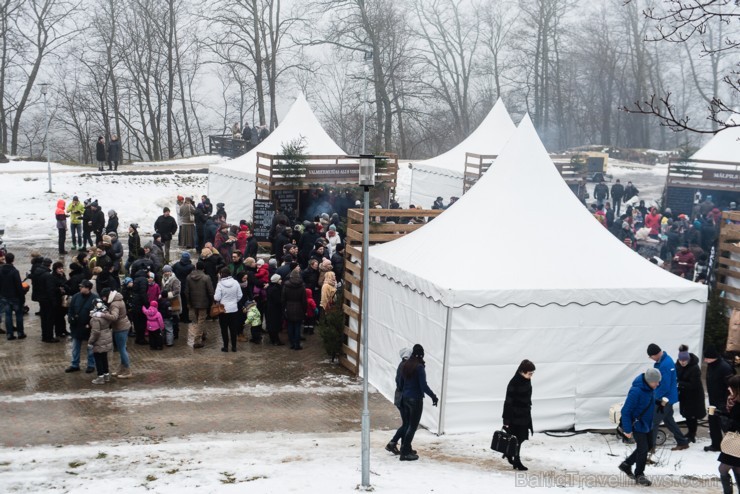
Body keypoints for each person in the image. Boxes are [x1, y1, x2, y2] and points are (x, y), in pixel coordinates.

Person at [619, 368, 662, 486]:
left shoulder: (649, 388)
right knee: (643, 449)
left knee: (648, 446)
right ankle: (639, 475)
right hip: (637, 424)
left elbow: (647, 401)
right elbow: (626, 411)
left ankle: (626, 464)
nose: (657, 384)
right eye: (655, 382)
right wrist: (627, 430)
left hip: (647, 423)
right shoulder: (636, 391)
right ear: (648, 381)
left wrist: (658, 402)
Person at [397, 344, 438, 461]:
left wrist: (404, 391)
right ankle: (404, 453)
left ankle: (406, 448)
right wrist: (433, 396)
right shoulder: (419, 367)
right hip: (415, 400)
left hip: (405, 398)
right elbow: (423, 386)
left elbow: (400, 382)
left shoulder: (405, 365)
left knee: (408, 424)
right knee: (412, 426)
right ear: (421, 355)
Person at [647, 343, 690, 451]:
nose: (650, 359)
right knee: (668, 420)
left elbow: (664, 386)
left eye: (650, 356)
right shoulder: (663, 361)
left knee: (654, 422)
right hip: (667, 397)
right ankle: (683, 442)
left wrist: (654, 397)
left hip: (664, 399)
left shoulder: (665, 364)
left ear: (654, 355)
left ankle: (650, 447)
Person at [502, 359, 535, 471]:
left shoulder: (527, 380)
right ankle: (516, 460)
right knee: (516, 439)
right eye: (529, 373)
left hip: (524, 415)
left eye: (532, 374)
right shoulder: (514, 382)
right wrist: (506, 421)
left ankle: (510, 455)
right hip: (514, 416)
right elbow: (508, 402)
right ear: (522, 372)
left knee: (520, 439)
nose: (531, 376)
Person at [705, 346, 735, 452]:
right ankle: (716, 444)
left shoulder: (724, 367)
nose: (705, 360)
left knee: (726, 424)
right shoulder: (711, 365)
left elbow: (731, 385)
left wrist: (730, 399)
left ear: (714, 358)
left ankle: (733, 446)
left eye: (707, 358)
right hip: (713, 400)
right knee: (713, 421)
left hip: (723, 400)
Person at [675, 344, 705, 443]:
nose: (682, 362)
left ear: (688, 360)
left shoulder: (695, 368)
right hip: (684, 394)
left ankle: (692, 434)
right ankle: (690, 432)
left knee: (692, 416)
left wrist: (679, 383)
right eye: (681, 360)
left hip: (694, 396)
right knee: (687, 415)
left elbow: (693, 385)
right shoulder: (678, 365)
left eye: (685, 361)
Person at [99, 288, 132, 379]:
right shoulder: (118, 299)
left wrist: (103, 314)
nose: (103, 300)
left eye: (104, 297)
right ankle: (121, 369)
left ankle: (127, 370)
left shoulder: (114, 304)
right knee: (122, 348)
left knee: (122, 349)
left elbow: (114, 317)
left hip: (120, 328)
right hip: (123, 326)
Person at [386, 347, 413, 455]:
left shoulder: (402, 365)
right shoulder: (404, 366)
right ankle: (392, 443)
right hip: (402, 398)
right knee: (407, 424)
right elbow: (400, 383)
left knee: (407, 423)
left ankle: (404, 446)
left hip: (400, 397)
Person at [66, 280, 96, 373]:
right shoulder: (76, 296)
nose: (80, 288)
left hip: (89, 328)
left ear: (88, 288)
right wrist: (70, 318)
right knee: (75, 347)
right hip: (76, 327)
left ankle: (91, 365)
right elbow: (70, 309)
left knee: (90, 347)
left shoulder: (95, 298)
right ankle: (75, 364)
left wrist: (90, 324)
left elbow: (97, 313)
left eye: (82, 287)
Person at [717, 375, 740, 493]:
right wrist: (721, 414)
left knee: (723, 468)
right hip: (734, 442)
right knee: (736, 468)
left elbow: (736, 422)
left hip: (736, 442)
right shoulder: (735, 400)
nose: (729, 389)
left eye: (731, 387)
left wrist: (728, 422)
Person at [186, 261, 213, 348]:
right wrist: (212, 301)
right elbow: (210, 292)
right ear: (204, 268)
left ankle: (204, 333)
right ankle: (197, 341)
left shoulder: (189, 277)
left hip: (193, 302)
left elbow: (186, 291)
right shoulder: (206, 278)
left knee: (199, 319)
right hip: (203, 303)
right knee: (201, 321)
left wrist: (189, 302)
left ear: (196, 267)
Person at [214, 266, 241, 352]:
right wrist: (234, 301)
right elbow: (240, 295)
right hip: (234, 309)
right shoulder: (236, 282)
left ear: (221, 274)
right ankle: (234, 347)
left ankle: (225, 347)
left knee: (224, 329)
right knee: (233, 329)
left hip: (223, 310)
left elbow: (217, 298)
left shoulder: (220, 284)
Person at [0, 253, 26, 340]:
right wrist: (22, 296)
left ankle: (9, 334)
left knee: (8, 315)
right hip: (15, 297)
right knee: (18, 315)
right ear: (13, 260)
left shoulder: (1, 270)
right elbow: (18, 286)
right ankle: (20, 333)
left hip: (4, 296)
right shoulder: (15, 271)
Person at [88, 298, 113, 384]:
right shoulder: (106, 313)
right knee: (104, 357)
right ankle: (106, 375)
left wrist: (90, 341)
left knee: (98, 358)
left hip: (99, 340)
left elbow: (95, 332)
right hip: (106, 337)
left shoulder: (96, 318)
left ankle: (100, 377)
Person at [282, 268, 307, 350]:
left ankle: (292, 343)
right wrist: (304, 310)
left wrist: (284, 308)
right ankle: (297, 344)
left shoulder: (286, 286)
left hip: (289, 307)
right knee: (297, 327)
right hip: (299, 308)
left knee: (290, 326)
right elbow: (304, 300)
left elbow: (283, 299)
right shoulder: (302, 286)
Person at [161, 265, 181, 341]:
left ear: (171, 271)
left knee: (175, 318)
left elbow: (177, 291)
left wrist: (167, 295)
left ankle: (175, 334)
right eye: (165, 271)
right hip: (166, 301)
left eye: (168, 271)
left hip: (174, 301)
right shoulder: (163, 279)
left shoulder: (175, 280)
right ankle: (170, 334)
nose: (167, 273)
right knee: (169, 317)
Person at [265, 274, 284, 346]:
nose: (281, 280)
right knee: (274, 325)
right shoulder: (276, 289)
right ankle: (276, 340)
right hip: (275, 309)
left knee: (271, 324)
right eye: (280, 279)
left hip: (270, 308)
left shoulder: (270, 287)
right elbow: (277, 300)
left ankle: (273, 339)